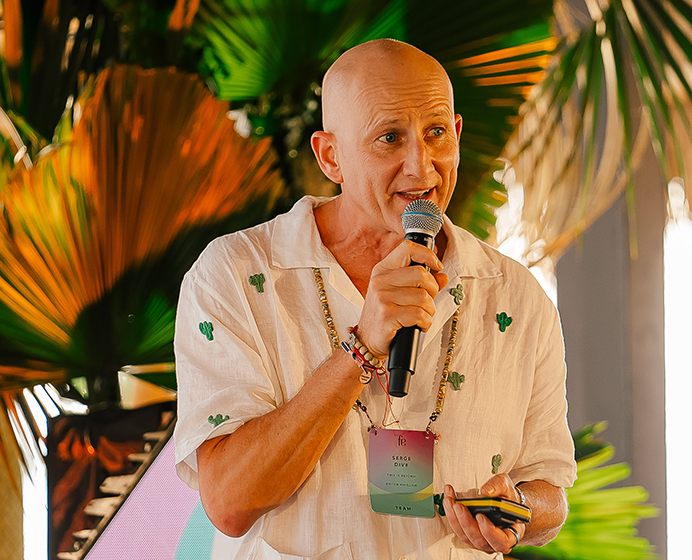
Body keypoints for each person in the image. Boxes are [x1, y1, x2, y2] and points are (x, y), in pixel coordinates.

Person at [174, 38, 576, 559]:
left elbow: (550, 491)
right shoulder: (235, 274)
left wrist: (518, 508)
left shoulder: (515, 296)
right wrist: (361, 347)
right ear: (330, 157)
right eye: (389, 138)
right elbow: (229, 502)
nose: (421, 167)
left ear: (457, 134)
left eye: (436, 133)